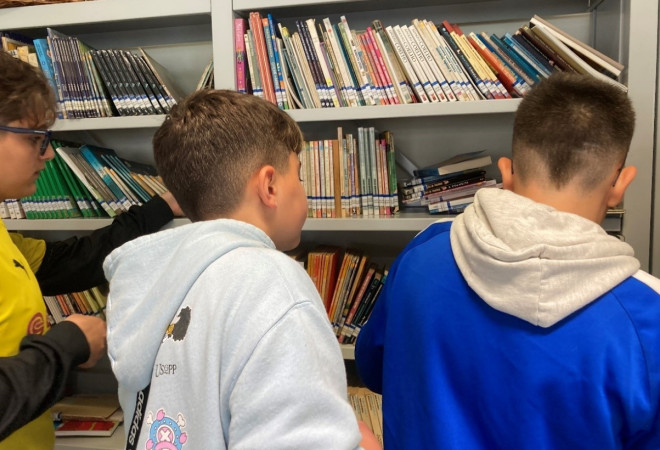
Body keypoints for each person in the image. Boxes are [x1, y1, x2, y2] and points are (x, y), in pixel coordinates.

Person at [355, 72, 660, 449]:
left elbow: (375, 368)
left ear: (507, 172)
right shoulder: (648, 316)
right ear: (620, 184)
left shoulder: (421, 253)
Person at [104, 89, 380, 450]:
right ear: (270, 186)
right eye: (299, 176)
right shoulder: (272, 283)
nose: (303, 191)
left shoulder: (154, 282)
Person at [0, 38, 183, 449]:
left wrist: (162, 207)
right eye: (35, 138)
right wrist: (68, 344)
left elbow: (72, 262)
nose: (47, 155)